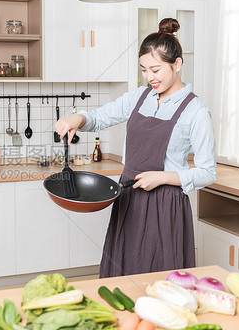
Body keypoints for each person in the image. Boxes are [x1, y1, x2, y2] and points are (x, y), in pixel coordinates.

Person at [55, 18, 216, 277]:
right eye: (143, 70)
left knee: (160, 278)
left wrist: (162, 177)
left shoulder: (196, 112)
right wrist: (78, 119)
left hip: (166, 205)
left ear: (177, 64)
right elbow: (100, 117)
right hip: (129, 197)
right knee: (123, 273)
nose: (149, 77)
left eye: (155, 70)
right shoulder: (139, 97)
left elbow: (208, 171)